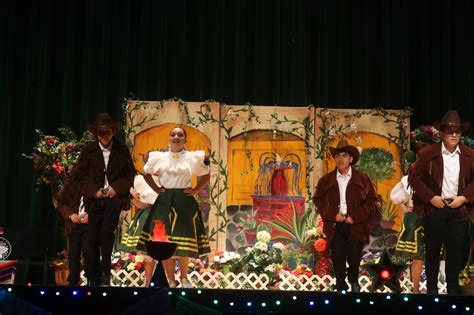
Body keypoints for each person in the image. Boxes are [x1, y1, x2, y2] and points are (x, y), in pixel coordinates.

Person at [409, 110, 474, 295]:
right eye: (450, 132)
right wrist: (431, 197)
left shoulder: (469, 155)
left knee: (455, 253)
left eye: (457, 132)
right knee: (432, 251)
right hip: (435, 208)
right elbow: (414, 178)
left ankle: (453, 291)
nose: (454, 135)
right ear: (442, 133)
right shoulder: (428, 153)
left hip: (457, 209)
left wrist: (463, 198)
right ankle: (431, 291)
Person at [141, 126, 211, 288]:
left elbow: (206, 175)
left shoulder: (192, 157)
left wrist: (195, 190)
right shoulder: (160, 157)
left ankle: (185, 277)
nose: (176, 137)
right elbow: (146, 173)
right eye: (173, 135)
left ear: (185, 140)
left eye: (180, 135)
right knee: (165, 241)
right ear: (169, 138)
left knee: (182, 240)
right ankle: (171, 280)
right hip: (164, 201)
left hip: (183, 200)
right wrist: (156, 189)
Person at [73, 113, 135, 286]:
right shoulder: (89, 150)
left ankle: (105, 276)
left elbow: (130, 174)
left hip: (113, 201)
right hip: (94, 201)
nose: (103, 136)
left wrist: (117, 188)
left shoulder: (121, 150)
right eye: (100, 133)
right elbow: (79, 176)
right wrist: (94, 191)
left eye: (106, 132)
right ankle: (93, 278)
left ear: (113, 132)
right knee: (90, 240)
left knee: (106, 237)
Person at [313, 139, 381, 292]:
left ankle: (354, 281)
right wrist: (332, 214)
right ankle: (340, 284)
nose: (340, 159)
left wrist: (355, 217)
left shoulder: (363, 179)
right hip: (335, 224)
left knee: (354, 254)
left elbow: (371, 201)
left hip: (355, 225)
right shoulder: (327, 180)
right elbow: (318, 199)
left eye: (344, 155)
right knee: (337, 254)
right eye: (337, 155)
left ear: (351, 159)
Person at [120, 173, 161, 287]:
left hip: (163, 214)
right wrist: (137, 202)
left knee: (164, 250)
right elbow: (125, 191)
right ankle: (148, 283)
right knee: (146, 251)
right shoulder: (140, 179)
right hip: (147, 215)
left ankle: (166, 282)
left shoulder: (168, 177)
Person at [390, 175, 424, 293]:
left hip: (433, 216)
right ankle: (416, 290)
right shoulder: (410, 178)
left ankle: (432, 288)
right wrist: (403, 206)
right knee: (417, 257)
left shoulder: (438, 173)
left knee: (431, 256)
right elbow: (397, 196)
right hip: (414, 218)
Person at [57, 172, 90, 286]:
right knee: (74, 252)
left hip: (90, 225)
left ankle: (91, 279)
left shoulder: (94, 185)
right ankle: (73, 281)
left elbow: (100, 204)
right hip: (74, 225)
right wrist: (71, 215)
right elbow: (60, 202)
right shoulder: (69, 185)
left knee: (89, 250)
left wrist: (90, 214)